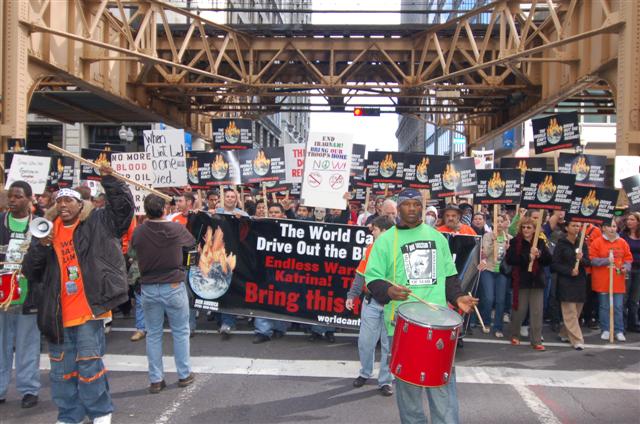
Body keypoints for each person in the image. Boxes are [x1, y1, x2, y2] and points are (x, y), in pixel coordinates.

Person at [22, 167, 134, 424]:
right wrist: (42, 247)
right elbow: (30, 271)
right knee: (62, 372)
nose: (63, 205)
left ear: (80, 204)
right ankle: (69, 415)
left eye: (68, 200)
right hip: (58, 316)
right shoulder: (45, 232)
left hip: (88, 311)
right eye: (58, 201)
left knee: (89, 366)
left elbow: (123, 211)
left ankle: (100, 412)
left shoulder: (97, 222)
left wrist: (110, 181)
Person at [364, 188, 477, 424]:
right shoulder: (385, 241)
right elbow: (372, 279)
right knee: (409, 396)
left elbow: (449, 277)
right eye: (407, 204)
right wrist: (388, 291)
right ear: (399, 208)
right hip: (402, 327)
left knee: (442, 391)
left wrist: (458, 298)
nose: (413, 208)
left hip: (438, 327)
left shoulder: (437, 237)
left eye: (417, 204)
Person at [130, 195, 196, 393]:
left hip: (149, 286)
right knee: (180, 331)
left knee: (153, 334)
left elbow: (132, 253)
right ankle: (184, 374)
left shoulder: (139, 231)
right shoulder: (175, 228)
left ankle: (156, 379)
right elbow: (191, 242)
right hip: (173, 284)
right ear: (165, 209)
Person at [0, 181, 41, 409]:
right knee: (1, 344)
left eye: (17, 197)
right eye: (10, 197)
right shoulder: (0, 222)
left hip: (28, 295)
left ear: (28, 198)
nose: (12, 200)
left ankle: (29, 389)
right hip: (2, 295)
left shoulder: (39, 225)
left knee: (28, 344)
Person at [347, 215, 395, 396]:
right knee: (365, 342)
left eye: (374, 229)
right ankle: (365, 372)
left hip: (393, 306)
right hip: (372, 303)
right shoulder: (371, 248)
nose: (371, 233)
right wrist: (352, 295)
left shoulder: (399, 250)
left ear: (384, 231)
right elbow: (361, 274)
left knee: (388, 346)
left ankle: (385, 381)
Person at [505, 216, 552, 351]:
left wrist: (539, 255)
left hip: (537, 281)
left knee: (537, 312)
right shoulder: (515, 242)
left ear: (534, 229)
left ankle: (536, 340)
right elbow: (511, 259)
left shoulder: (540, 242)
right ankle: (515, 334)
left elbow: (549, 260)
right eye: (524, 227)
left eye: (529, 227)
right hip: (521, 280)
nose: (526, 230)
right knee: (519, 310)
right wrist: (528, 257)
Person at [252, 203, 291, 344]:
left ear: (282, 214)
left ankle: (280, 328)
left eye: (276, 212)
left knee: (281, 298)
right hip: (265, 268)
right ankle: (262, 331)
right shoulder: (262, 225)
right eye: (271, 212)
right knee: (263, 298)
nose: (273, 214)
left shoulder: (290, 228)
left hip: (283, 269)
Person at [589, 221, 633, 341]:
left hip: (618, 280)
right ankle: (606, 329)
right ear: (603, 228)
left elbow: (628, 258)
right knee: (604, 306)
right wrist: (606, 261)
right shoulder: (597, 242)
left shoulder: (622, 242)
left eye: (614, 226)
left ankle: (619, 330)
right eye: (609, 226)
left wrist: (626, 267)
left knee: (618, 306)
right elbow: (592, 260)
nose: (612, 229)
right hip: (602, 280)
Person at [213, 188, 248, 339]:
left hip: (235, 258)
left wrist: (242, 222)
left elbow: (248, 235)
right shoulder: (215, 213)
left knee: (230, 289)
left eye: (233, 196)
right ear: (223, 197)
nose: (230, 198)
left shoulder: (243, 214)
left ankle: (227, 321)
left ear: (236, 199)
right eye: (227, 196)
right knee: (218, 288)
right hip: (216, 256)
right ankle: (221, 318)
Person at [552, 219, 590, 350]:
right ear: (567, 228)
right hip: (566, 281)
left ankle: (564, 333)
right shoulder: (561, 244)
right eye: (573, 225)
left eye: (578, 226)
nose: (576, 228)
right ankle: (577, 339)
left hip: (579, 281)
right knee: (570, 312)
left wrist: (581, 259)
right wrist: (568, 271)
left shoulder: (582, 243)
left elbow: (588, 262)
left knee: (576, 311)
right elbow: (554, 264)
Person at [477, 213, 512, 338]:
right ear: (492, 224)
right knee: (488, 298)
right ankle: (486, 322)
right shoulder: (487, 236)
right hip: (489, 270)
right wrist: (493, 241)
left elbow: (512, 259)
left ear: (505, 223)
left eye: (501, 221)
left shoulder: (509, 238)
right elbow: (485, 253)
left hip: (501, 272)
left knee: (500, 300)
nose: (499, 224)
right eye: (496, 221)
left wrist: (509, 250)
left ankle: (498, 326)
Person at [621, 212, 640, 332]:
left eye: (632, 219)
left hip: (638, 269)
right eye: (628, 219)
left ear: (638, 222)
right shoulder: (623, 235)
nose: (629, 221)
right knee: (624, 297)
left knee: (634, 298)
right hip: (627, 268)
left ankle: (633, 323)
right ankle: (621, 324)